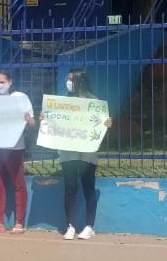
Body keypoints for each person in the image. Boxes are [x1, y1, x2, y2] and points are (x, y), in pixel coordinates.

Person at [59, 68, 112, 240]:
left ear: (80, 81)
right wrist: (47, 117)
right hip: (68, 153)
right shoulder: (63, 101)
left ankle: (89, 226)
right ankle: (71, 225)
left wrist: (106, 123)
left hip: (87, 154)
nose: (68, 83)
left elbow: (100, 125)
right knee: (70, 189)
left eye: (71, 80)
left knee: (88, 188)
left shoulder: (93, 102)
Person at [0, 69, 35, 234]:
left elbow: (32, 123)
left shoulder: (20, 98)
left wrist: (28, 120)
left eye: (2, 82)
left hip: (14, 148)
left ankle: (19, 223)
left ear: (10, 82)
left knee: (18, 184)